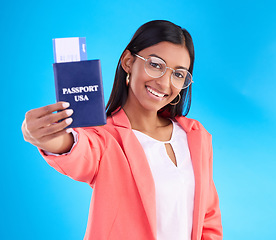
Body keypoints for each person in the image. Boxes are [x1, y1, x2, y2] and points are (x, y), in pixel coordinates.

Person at [22, 20, 223, 240]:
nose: (165, 83)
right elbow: (78, 150)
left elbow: (208, 218)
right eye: (155, 65)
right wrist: (46, 137)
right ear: (128, 61)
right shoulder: (105, 137)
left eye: (178, 74)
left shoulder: (195, 136)